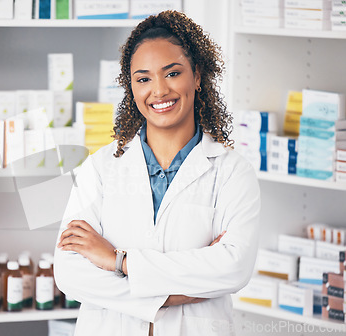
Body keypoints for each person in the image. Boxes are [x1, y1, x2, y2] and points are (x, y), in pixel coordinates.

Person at [54, 10, 260, 336]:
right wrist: (172, 296)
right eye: (144, 78)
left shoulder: (232, 172)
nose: (159, 91)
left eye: (172, 73)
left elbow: (233, 268)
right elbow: (69, 273)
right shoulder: (101, 167)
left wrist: (118, 261)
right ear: (131, 88)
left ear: (198, 75)